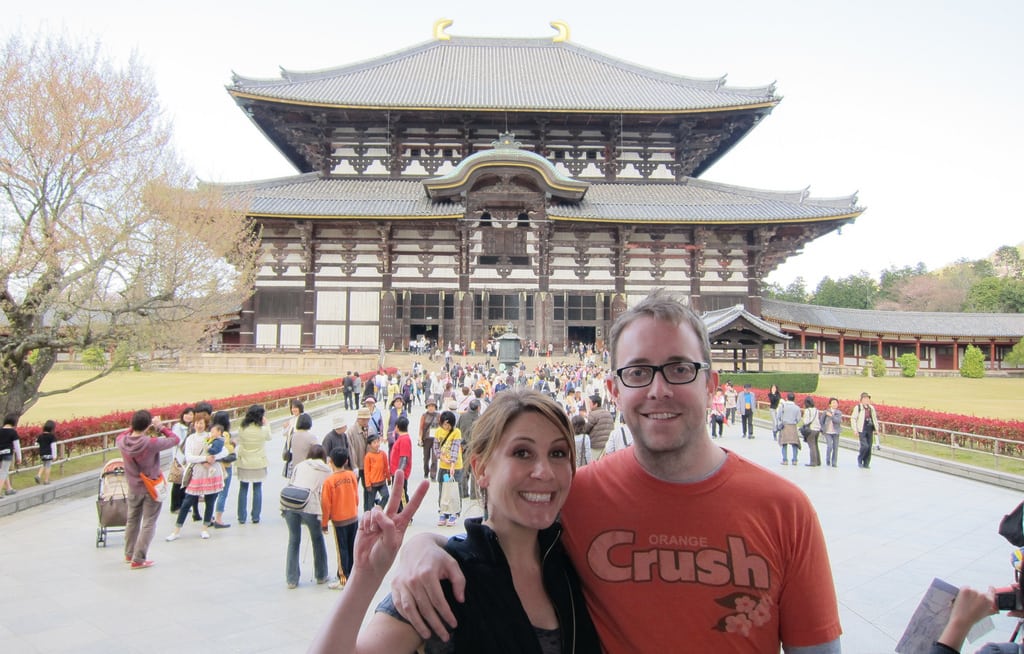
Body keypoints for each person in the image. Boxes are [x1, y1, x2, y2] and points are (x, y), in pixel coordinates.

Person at [390, 289, 840, 653]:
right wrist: (425, 545)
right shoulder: (574, 497)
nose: (659, 390)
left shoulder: (785, 511)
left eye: (680, 369)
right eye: (639, 372)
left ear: (710, 383)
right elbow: (498, 540)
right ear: (614, 388)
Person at [308, 389, 601, 654]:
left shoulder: (578, 562)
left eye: (558, 453)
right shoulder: (442, 579)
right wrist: (365, 577)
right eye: (522, 453)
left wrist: (425, 540)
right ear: (481, 468)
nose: (544, 471)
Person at [116, 410, 179, 569]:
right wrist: (160, 427)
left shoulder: (122, 441)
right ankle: (139, 558)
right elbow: (175, 439)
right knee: (149, 522)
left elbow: (125, 433)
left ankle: (129, 553)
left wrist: (132, 428)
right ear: (147, 426)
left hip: (133, 488)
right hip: (151, 488)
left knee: (132, 521)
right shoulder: (151, 443)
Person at [166, 413, 227, 541]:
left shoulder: (211, 436)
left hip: (211, 474)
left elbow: (224, 451)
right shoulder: (191, 438)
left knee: (210, 502)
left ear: (206, 425)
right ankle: (176, 530)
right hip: (197, 473)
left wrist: (213, 458)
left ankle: (205, 528)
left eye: (201, 423)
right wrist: (205, 458)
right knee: (187, 501)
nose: (199, 425)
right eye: (197, 423)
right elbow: (189, 457)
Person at [283, 443, 331, 588]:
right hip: (310, 505)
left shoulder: (300, 465)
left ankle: (291, 579)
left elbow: (291, 482)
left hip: (290, 503)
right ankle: (321, 575)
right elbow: (324, 493)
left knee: (293, 540)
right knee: (317, 538)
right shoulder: (326, 470)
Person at [322, 448, 360, 590]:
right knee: (352, 547)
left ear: (330, 462)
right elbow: (356, 496)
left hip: (339, 520)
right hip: (353, 516)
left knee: (342, 549)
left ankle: (343, 577)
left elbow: (326, 504)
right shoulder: (351, 475)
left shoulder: (329, 481)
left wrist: (324, 522)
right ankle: (354, 575)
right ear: (346, 461)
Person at [236, 404, 272, 525]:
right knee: (257, 488)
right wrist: (267, 424)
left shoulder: (242, 428)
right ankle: (255, 516)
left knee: (243, 488)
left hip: (244, 461)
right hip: (258, 462)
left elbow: (240, 439)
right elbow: (269, 437)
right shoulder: (262, 429)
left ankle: (241, 517)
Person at [434, 410, 463, 528]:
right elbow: (436, 448)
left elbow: (455, 449)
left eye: (448, 424)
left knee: (454, 490)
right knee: (443, 489)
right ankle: (443, 511)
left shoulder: (456, 432)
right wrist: (441, 457)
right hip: (443, 466)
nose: (446, 426)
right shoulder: (438, 432)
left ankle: (454, 512)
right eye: (444, 424)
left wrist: (451, 465)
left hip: (455, 466)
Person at [168, 407, 198, 518]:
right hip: (179, 458)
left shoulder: (193, 427)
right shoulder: (178, 427)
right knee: (177, 483)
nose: (189, 416)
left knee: (185, 483)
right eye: (187, 414)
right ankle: (175, 506)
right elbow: (178, 441)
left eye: (191, 414)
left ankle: (182, 504)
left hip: (188, 458)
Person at [211, 410, 236, 528]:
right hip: (225, 467)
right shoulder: (225, 434)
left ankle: (209, 516)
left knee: (212, 493)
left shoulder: (211, 433)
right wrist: (233, 445)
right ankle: (218, 519)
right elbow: (227, 449)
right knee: (222, 493)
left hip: (213, 467)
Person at [455, 399, 481, 499]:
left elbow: (457, 428)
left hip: (463, 447)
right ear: (478, 408)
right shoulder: (480, 418)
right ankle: (474, 494)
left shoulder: (463, 416)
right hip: (475, 447)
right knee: (475, 471)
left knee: (464, 471)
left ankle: (463, 492)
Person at [851, 392, 880, 469]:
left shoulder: (871, 408)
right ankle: (860, 459)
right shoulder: (858, 408)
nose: (867, 400)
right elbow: (853, 418)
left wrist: (876, 429)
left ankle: (866, 463)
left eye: (868, 399)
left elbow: (874, 418)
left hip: (869, 428)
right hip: (861, 429)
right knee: (865, 446)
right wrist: (855, 430)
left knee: (869, 447)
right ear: (861, 400)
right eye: (865, 399)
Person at [389, 416, 413, 508]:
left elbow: (404, 458)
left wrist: (399, 473)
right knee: (397, 495)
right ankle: (399, 512)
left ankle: (406, 514)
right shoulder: (402, 438)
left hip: (400, 472)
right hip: (396, 471)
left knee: (401, 495)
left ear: (397, 427)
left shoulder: (404, 439)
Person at [363, 433, 390, 511]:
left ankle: (379, 510)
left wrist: (388, 478)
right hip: (372, 483)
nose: (377, 444)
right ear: (370, 445)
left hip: (382, 481)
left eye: (378, 442)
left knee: (386, 496)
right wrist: (368, 484)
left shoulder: (383, 454)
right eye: (374, 443)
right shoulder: (368, 456)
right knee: (370, 503)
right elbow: (367, 471)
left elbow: (386, 467)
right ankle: (370, 517)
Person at [585, 393, 614, 458]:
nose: (588, 405)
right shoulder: (608, 413)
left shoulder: (593, 414)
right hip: (607, 444)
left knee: (593, 464)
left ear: (595, 404)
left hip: (596, 445)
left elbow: (586, 429)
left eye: (590, 403)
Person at [1, 414, 23, 496]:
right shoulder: (13, 432)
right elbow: (17, 446)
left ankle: (9, 488)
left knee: (3, 471)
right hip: (7, 454)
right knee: (3, 472)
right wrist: (19, 457)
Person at [777, 391, 802, 465]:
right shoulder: (797, 408)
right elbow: (798, 418)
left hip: (785, 426)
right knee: (794, 444)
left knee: (784, 444)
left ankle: (785, 460)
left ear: (787, 398)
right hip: (793, 427)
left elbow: (778, 416)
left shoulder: (783, 406)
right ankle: (794, 460)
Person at [419, 397, 441, 480]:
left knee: (435, 459)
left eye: (433, 406)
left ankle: (433, 474)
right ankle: (426, 471)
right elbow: (421, 428)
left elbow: (441, 426)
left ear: (435, 407)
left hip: (436, 439)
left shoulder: (439, 415)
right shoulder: (424, 416)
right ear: (427, 407)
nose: (431, 408)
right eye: (429, 406)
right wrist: (420, 438)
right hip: (426, 439)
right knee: (426, 458)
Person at [34, 420, 57, 485]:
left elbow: (36, 443)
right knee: (48, 466)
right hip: (49, 453)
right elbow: (53, 447)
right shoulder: (52, 436)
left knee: (44, 464)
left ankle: (38, 475)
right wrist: (54, 456)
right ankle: (46, 480)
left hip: (42, 453)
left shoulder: (40, 436)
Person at [822, 397, 843, 468]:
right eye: (833, 403)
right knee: (829, 446)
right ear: (830, 404)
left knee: (835, 447)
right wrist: (822, 429)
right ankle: (828, 459)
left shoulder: (839, 413)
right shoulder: (826, 412)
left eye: (836, 403)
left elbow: (838, 421)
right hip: (827, 432)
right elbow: (821, 421)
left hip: (836, 432)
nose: (835, 404)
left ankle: (834, 462)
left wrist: (832, 416)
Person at [801, 396, 822, 466]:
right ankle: (818, 461)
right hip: (817, 429)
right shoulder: (816, 410)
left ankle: (813, 462)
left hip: (811, 429)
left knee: (812, 446)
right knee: (816, 445)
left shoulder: (807, 410)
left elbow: (806, 421)